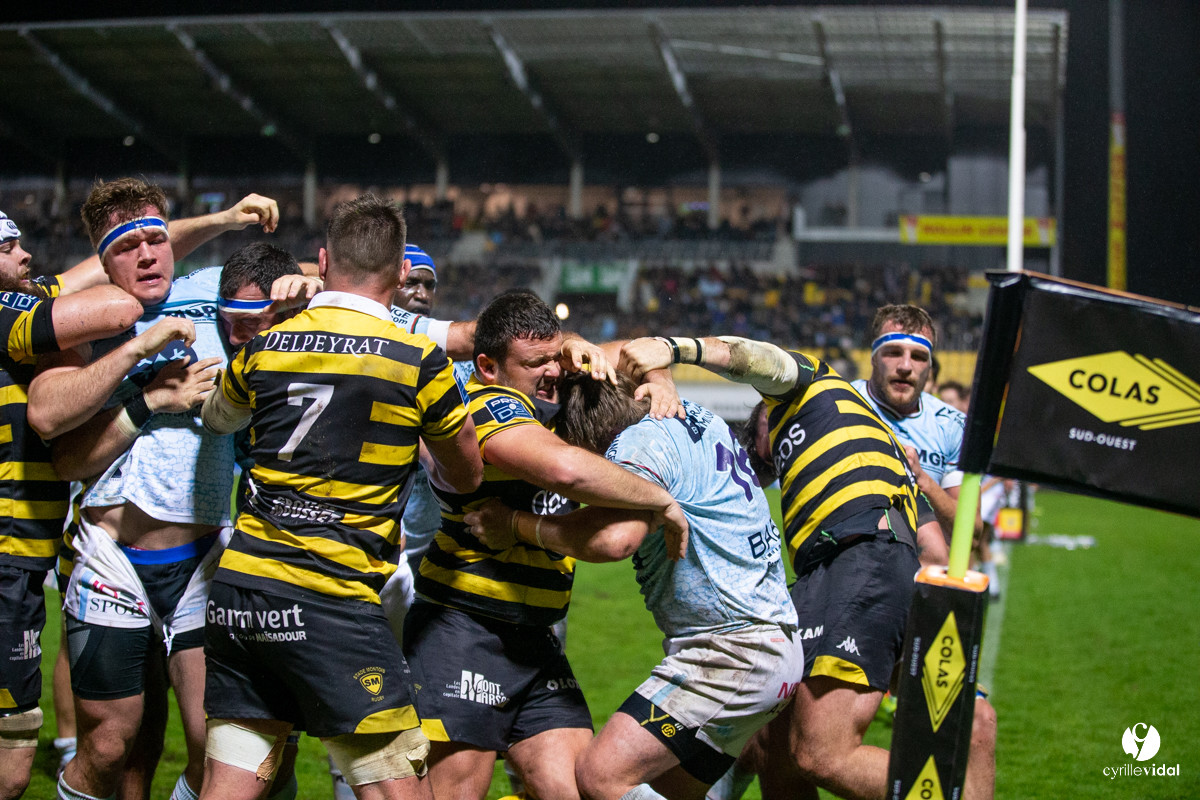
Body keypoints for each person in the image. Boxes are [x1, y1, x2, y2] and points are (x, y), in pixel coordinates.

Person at [618, 335, 996, 800]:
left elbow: (753, 357)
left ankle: (954, 794)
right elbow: (930, 547)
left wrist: (673, 350)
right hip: (840, 568)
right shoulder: (845, 452)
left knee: (821, 753)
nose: (761, 452)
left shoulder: (815, 387)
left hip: (859, 558)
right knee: (776, 744)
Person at [198, 193, 483, 800]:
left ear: (321, 262)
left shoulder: (263, 347)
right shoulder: (418, 360)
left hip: (241, 590)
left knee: (230, 783)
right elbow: (465, 474)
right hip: (329, 596)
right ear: (402, 271)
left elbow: (218, 418)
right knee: (396, 782)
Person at [25, 180, 297, 800]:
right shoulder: (83, 322)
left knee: (216, 743)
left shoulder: (205, 297)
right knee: (108, 746)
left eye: (157, 239)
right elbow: (56, 437)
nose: (148, 255)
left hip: (201, 560)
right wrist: (149, 397)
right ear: (101, 259)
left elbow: (283, 277)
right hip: (111, 559)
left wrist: (299, 285)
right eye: (128, 247)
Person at [402, 290, 689, 800]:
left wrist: (658, 372)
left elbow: (638, 350)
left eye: (553, 359)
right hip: (465, 628)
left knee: (571, 788)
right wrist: (659, 499)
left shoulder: (544, 403)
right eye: (535, 364)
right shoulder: (485, 409)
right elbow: (566, 469)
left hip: (535, 638)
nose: (552, 372)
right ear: (488, 365)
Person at [464, 370, 805, 800]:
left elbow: (615, 538)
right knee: (663, 791)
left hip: (731, 651)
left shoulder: (637, 447)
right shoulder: (688, 413)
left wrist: (516, 525)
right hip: (771, 647)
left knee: (599, 776)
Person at [0, 211, 147, 800]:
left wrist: (219, 219)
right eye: (9, 247)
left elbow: (97, 268)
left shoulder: (24, 305)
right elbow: (117, 305)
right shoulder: (9, 314)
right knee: (11, 766)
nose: (26, 255)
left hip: (21, 566)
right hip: (7, 559)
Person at [850, 305, 965, 556]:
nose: (905, 365)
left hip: (922, 579)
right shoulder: (840, 403)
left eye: (919, 356)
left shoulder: (952, 425)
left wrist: (922, 479)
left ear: (930, 367)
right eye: (893, 352)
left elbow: (971, 533)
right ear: (873, 357)